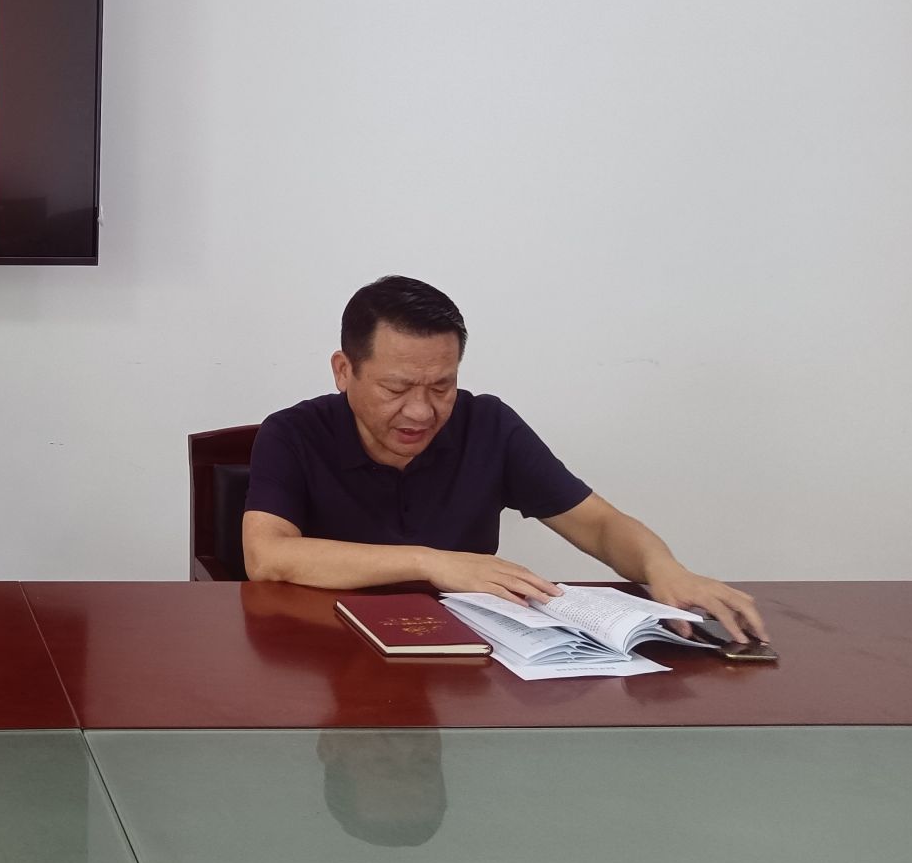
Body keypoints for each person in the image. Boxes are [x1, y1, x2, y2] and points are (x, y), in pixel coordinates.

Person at [242, 275, 766, 643]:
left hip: (462, 660)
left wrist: (664, 568)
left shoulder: (487, 425)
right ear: (343, 370)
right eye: (396, 389)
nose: (421, 411)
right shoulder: (292, 433)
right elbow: (268, 556)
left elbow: (600, 524)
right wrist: (432, 562)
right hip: (327, 649)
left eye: (442, 386)